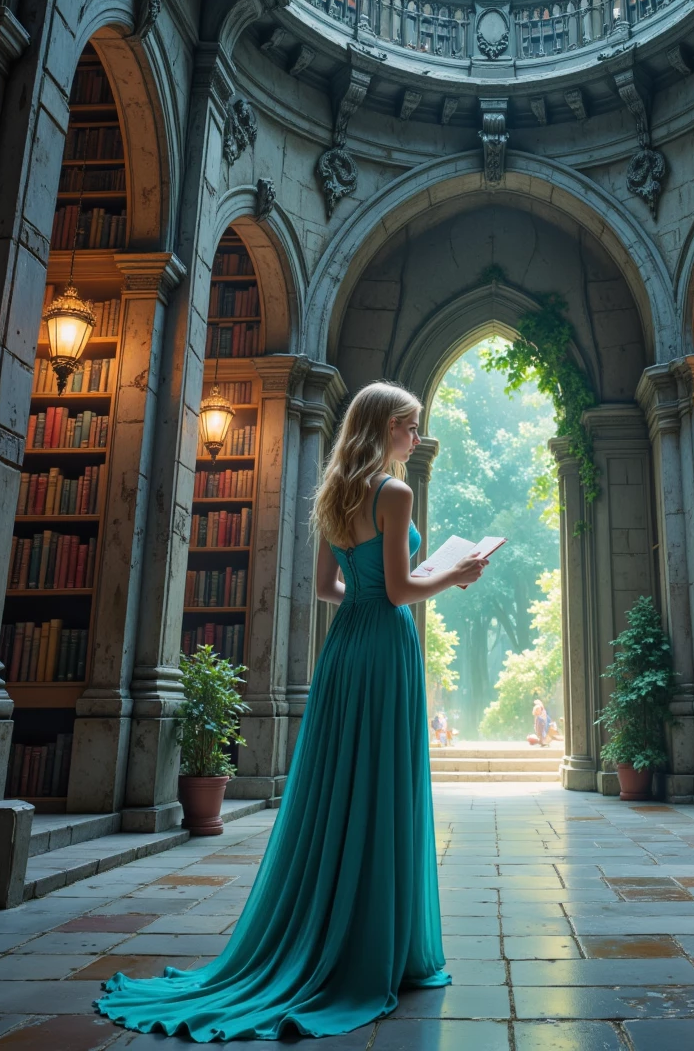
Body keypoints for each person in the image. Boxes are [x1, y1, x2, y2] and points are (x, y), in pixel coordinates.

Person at [96, 381, 487, 1042]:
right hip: (386, 648)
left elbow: (330, 587)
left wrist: (374, 594)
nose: (415, 440)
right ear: (386, 427)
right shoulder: (394, 493)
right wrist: (458, 571)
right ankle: (378, 946)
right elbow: (399, 589)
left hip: (345, 653)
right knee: (383, 785)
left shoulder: (335, 493)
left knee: (340, 787)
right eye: (410, 428)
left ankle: (330, 927)